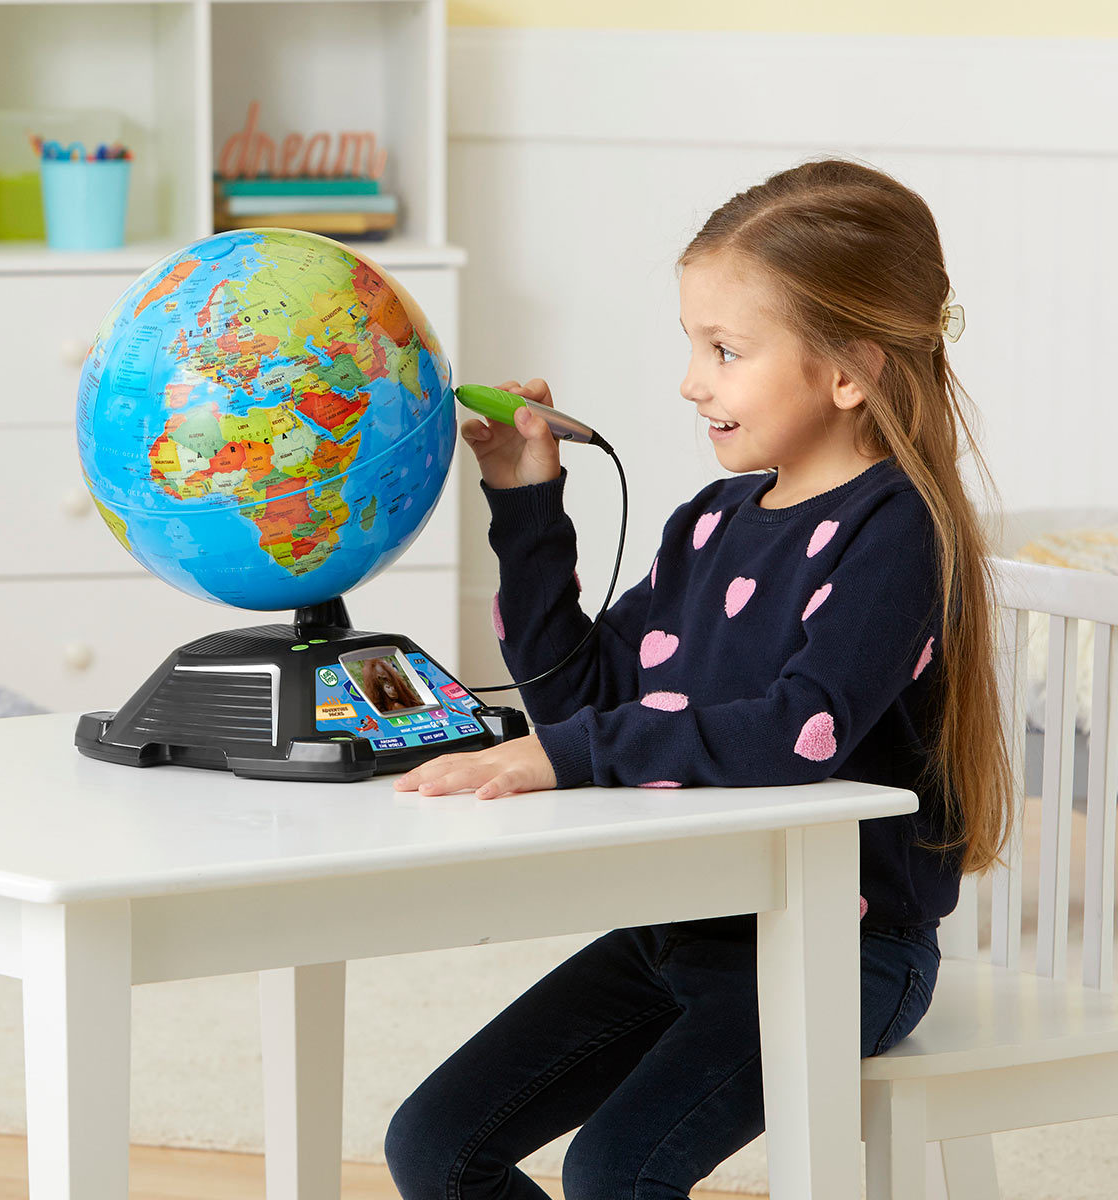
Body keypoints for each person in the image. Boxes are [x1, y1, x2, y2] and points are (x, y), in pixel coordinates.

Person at [385, 157, 1017, 1198]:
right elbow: (583, 706)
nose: (691, 381)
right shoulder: (713, 524)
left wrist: (574, 755)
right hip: (680, 925)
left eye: (725, 350)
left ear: (849, 371)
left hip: (841, 950)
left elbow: (797, 733)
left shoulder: (897, 532)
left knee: (614, 1171)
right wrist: (529, 505)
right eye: (693, 344)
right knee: (434, 1142)